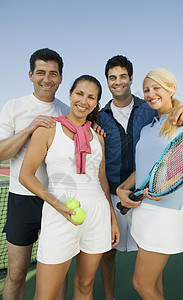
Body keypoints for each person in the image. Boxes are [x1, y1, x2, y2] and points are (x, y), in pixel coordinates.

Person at [99, 55, 183, 300]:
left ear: (172, 89)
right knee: (152, 283)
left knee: (141, 284)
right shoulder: (148, 127)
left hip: (165, 211)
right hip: (143, 209)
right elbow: (145, 168)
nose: (151, 93)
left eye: (157, 88)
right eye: (147, 90)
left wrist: (167, 185)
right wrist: (123, 188)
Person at [19, 74, 120, 300]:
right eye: (79, 93)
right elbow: (26, 175)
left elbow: (102, 180)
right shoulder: (47, 129)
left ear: (96, 103)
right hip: (58, 215)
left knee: (85, 286)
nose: (84, 101)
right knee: (46, 294)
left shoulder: (98, 137)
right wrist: (58, 205)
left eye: (91, 97)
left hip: (96, 215)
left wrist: (112, 219)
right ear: (70, 94)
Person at [0, 48, 70, 300]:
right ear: (31, 75)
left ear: (61, 78)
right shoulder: (14, 106)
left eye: (53, 73)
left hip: (58, 201)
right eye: (41, 72)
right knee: (17, 272)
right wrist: (30, 129)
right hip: (22, 200)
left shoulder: (67, 111)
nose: (46, 79)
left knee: (57, 271)